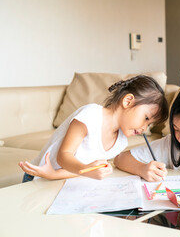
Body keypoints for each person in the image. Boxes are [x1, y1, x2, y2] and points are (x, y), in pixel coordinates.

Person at [18, 75, 168, 181]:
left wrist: (54, 175)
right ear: (128, 101)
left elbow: (84, 170)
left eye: (149, 125)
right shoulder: (90, 115)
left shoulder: (120, 142)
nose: (144, 128)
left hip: (57, 178)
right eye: (146, 118)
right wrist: (84, 171)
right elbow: (64, 156)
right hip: (37, 177)